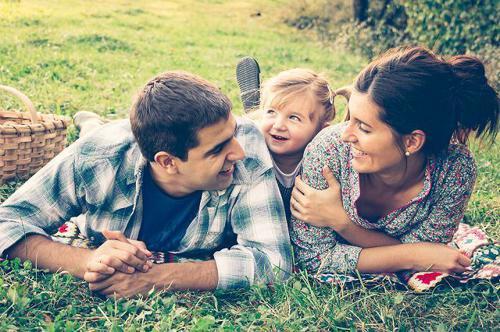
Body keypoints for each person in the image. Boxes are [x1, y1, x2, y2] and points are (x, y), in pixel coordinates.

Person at [0, 71, 292, 298]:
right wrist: (88, 261)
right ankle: (91, 124)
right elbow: (7, 221)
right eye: (216, 150)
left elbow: (274, 261)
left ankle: (92, 121)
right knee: (94, 134)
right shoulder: (96, 156)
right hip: (111, 142)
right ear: (167, 162)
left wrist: (153, 278)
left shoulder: (248, 145)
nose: (238, 153)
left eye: (233, 133)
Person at [289, 46, 498, 276]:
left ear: (412, 142)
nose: (345, 135)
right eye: (350, 118)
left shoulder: (455, 170)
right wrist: (414, 255)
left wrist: (342, 224)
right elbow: (314, 257)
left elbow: (427, 252)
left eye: (364, 128)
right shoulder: (328, 151)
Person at [250, 68, 335, 221]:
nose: (279, 125)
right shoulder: (251, 151)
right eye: (271, 112)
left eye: (294, 118)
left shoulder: (323, 165)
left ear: (322, 131)